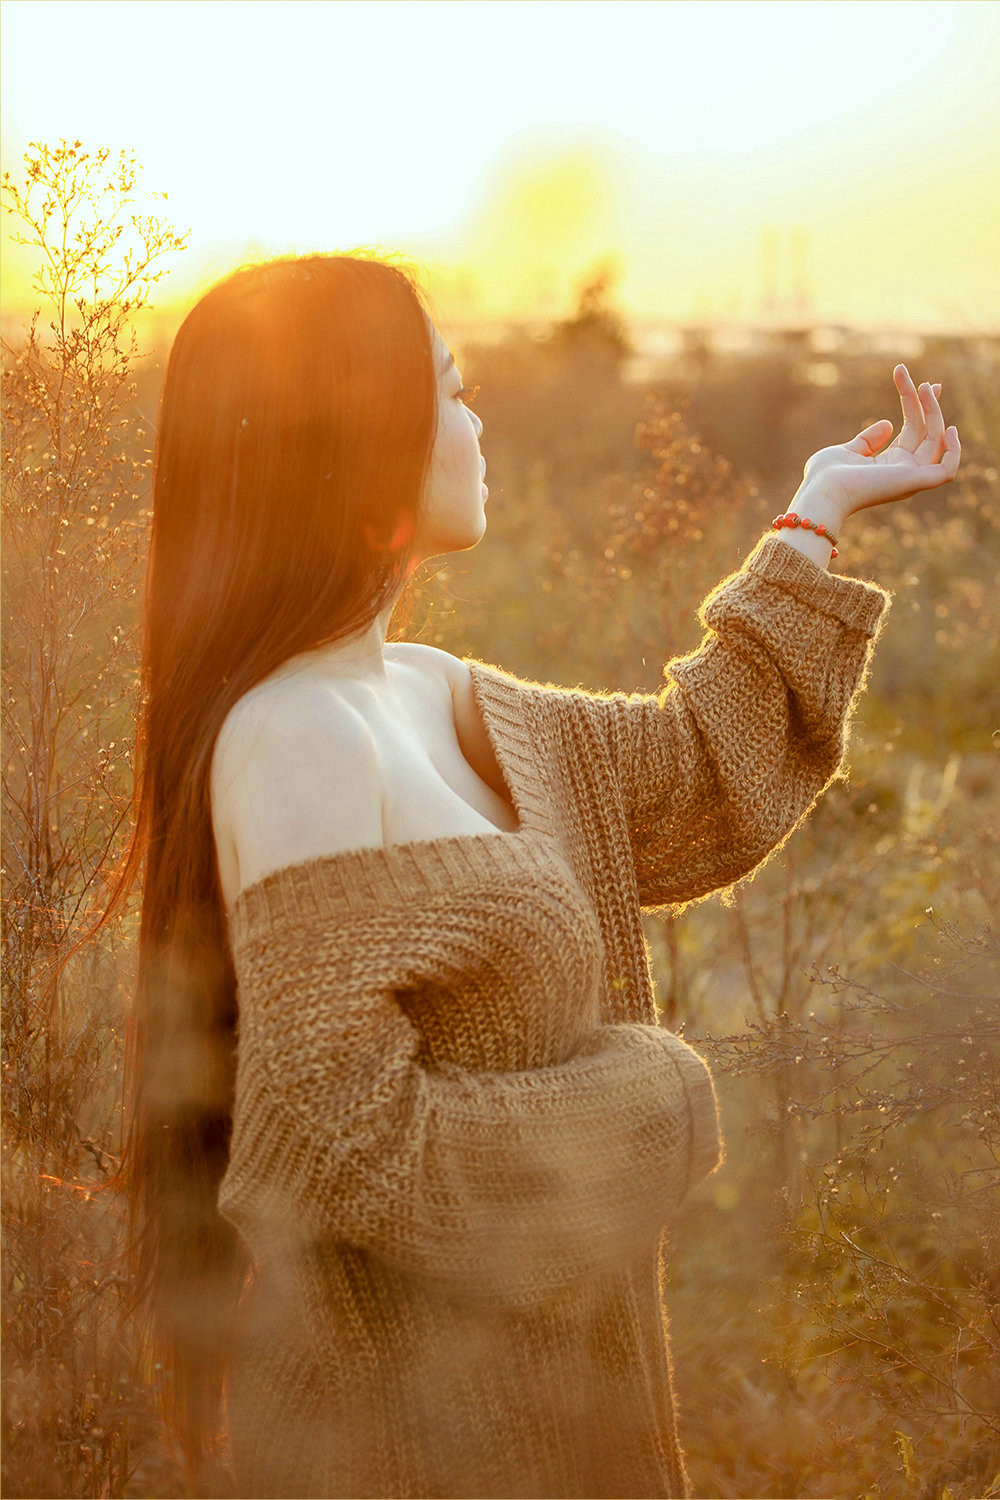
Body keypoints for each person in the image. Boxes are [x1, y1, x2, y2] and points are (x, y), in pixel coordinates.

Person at [121, 252, 960, 1498]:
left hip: (560, 1417)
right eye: (452, 391)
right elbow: (354, 1148)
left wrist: (812, 518)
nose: (477, 420)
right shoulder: (295, 738)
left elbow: (690, 775)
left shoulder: (427, 692)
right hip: (405, 1449)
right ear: (357, 441)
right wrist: (663, 1099)